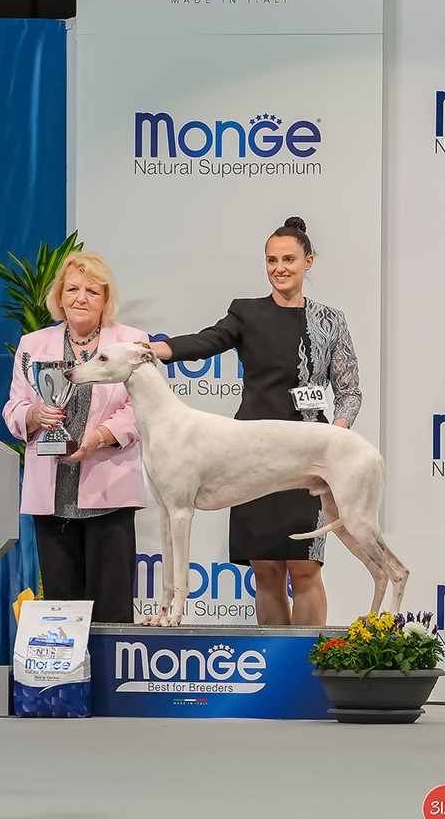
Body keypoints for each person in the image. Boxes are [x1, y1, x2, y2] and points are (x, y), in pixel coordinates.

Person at [149, 217, 362, 627]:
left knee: (304, 569)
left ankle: (308, 673)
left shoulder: (331, 321)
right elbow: (207, 341)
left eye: (289, 259)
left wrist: (336, 435)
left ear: (308, 262)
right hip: (248, 455)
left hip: (307, 457)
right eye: (271, 260)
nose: (279, 267)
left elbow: (350, 390)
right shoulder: (245, 312)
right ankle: (277, 671)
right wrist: (162, 349)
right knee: (265, 571)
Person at [2, 251, 148, 624]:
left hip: (109, 490)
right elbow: (14, 406)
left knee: (111, 606)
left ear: (105, 299)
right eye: (72, 289)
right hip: (52, 495)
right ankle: (68, 683)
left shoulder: (131, 342)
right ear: (60, 296)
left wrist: (99, 437)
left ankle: (109, 683)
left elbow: (138, 409)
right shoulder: (32, 344)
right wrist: (33, 415)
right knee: (60, 608)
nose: (80, 298)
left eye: (92, 291)